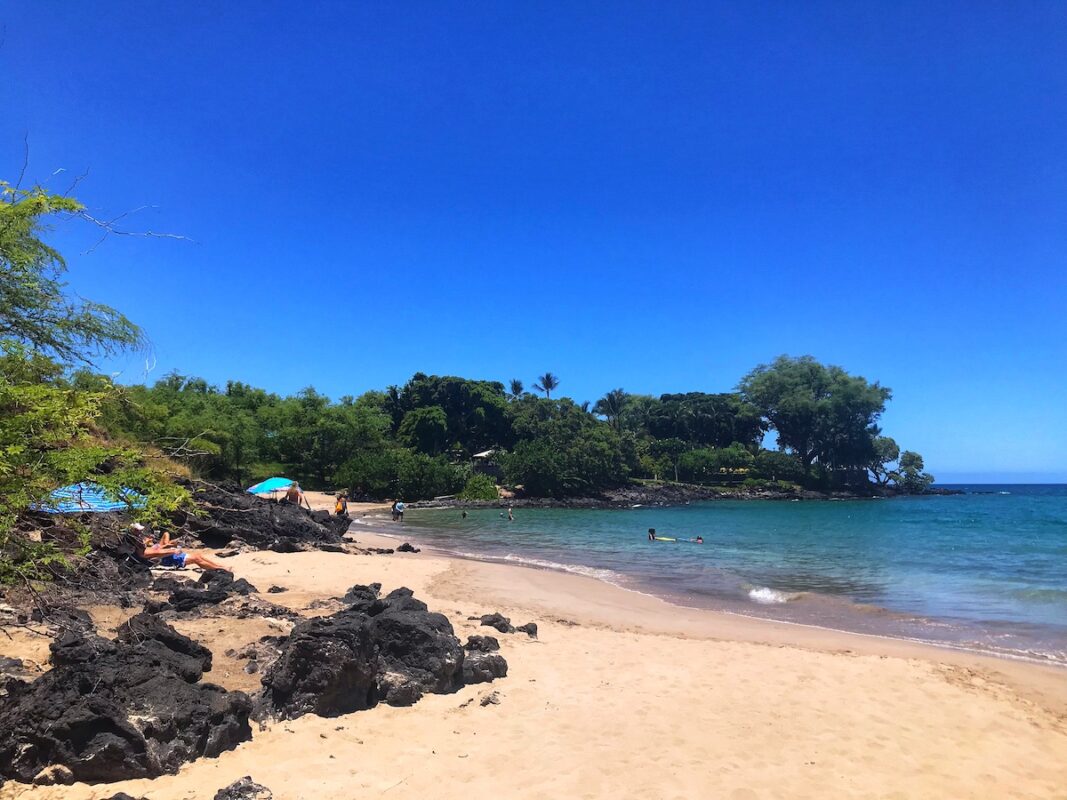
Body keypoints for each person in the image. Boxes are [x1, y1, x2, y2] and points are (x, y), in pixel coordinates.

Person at [137, 529, 227, 571]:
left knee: (198, 556)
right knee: (197, 559)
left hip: (173, 555)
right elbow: (158, 553)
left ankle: (219, 566)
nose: (148, 537)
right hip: (171, 559)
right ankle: (219, 568)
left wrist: (168, 544)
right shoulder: (148, 550)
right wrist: (170, 548)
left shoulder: (154, 546)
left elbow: (166, 534)